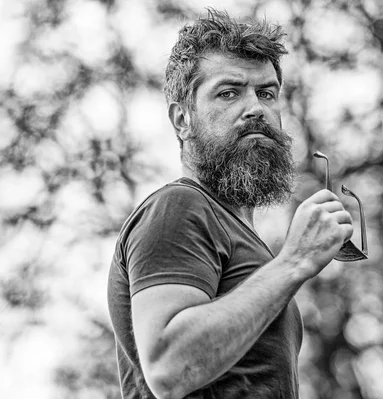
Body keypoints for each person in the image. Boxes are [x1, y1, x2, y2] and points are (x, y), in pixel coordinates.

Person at [107, 8, 353, 399]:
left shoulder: (243, 240)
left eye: (267, 93)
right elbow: (170, 368)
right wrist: (296, 260)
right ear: (182, 119)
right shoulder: (178, 207)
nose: (255, 107)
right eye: (229, 92)